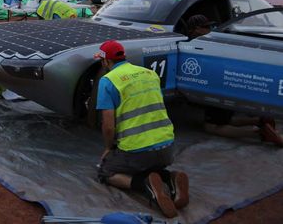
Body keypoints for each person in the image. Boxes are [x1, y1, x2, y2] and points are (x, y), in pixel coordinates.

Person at [95, 40, 188, 218]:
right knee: (148, 163)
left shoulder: (108, 81)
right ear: (124, 57)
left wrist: (108, 148)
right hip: (168, 148)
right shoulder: (150, 73)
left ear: (106, 62)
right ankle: (170, 177)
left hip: (137, 151)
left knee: (105, 171)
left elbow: (108, 126)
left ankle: (144, 185)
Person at [186, 14, 283, 147]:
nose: (209, 29)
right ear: (196, 29)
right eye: (206, 27)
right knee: (225, 119)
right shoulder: (216, 39)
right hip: (222, 86)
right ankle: (259, 121)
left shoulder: (198, 43)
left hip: (214, 87)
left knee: (211, 127)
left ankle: (260, 133)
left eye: (209, 26)